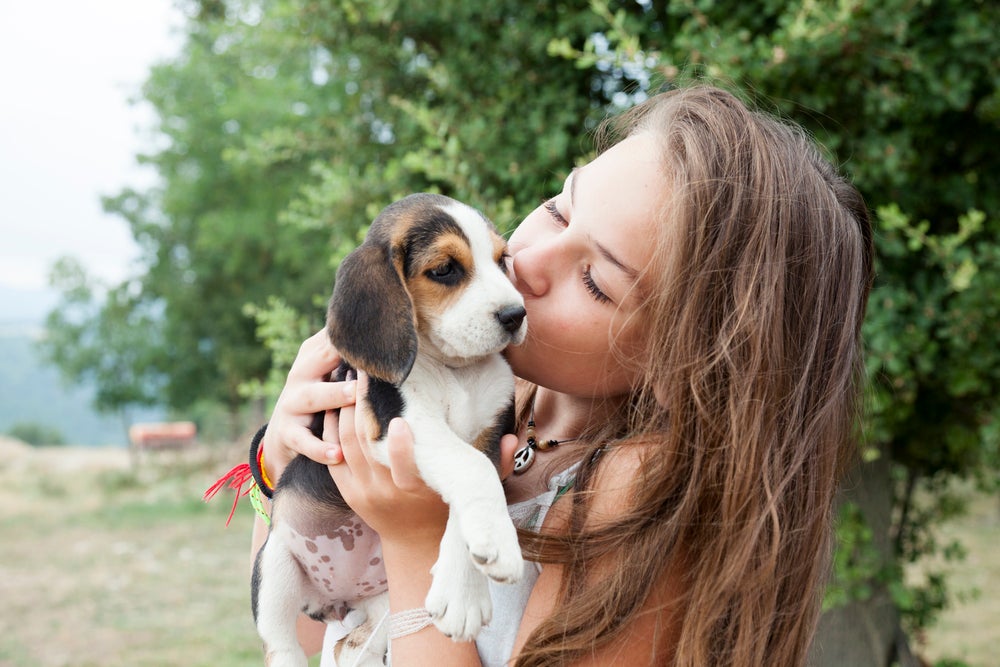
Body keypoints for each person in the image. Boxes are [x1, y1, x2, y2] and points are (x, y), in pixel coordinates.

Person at [249, 85, 874, 666]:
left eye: (596, 282)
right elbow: (314, 626)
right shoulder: (483, 393)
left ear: (683, 365)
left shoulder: (630, 491)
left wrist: (415, 540)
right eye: (557, 210)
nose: (523, 266)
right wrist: (278, 462)